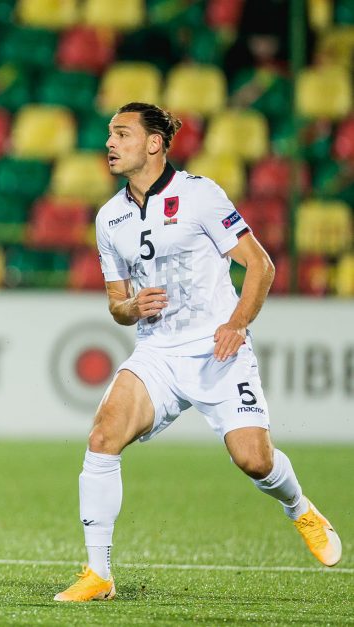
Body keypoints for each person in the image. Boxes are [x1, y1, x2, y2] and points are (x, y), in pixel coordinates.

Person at [54, 102, 342, 602]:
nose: (110, 143)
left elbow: (261, 265)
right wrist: (131, 306)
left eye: (121, 134)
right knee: (102, 436)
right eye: (109, 134)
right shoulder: (109, 218)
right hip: (158, 352)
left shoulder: (200, 195)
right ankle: (98, 574)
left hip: (217, 349)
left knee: (253, 460)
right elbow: (115, 307)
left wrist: (237, 323)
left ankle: (300, 508)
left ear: (153, 144)